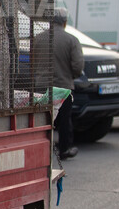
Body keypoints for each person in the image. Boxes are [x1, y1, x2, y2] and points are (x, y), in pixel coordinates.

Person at [36, 8, 84, 160]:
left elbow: (31, 62)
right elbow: (78, 66)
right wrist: (70, 77)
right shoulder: (71, 40)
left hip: (40, 86)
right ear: (64, 22)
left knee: (42, 119)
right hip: (63, 87)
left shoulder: (38, 38)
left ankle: (40, 148)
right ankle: (64, 149)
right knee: (64, 120)